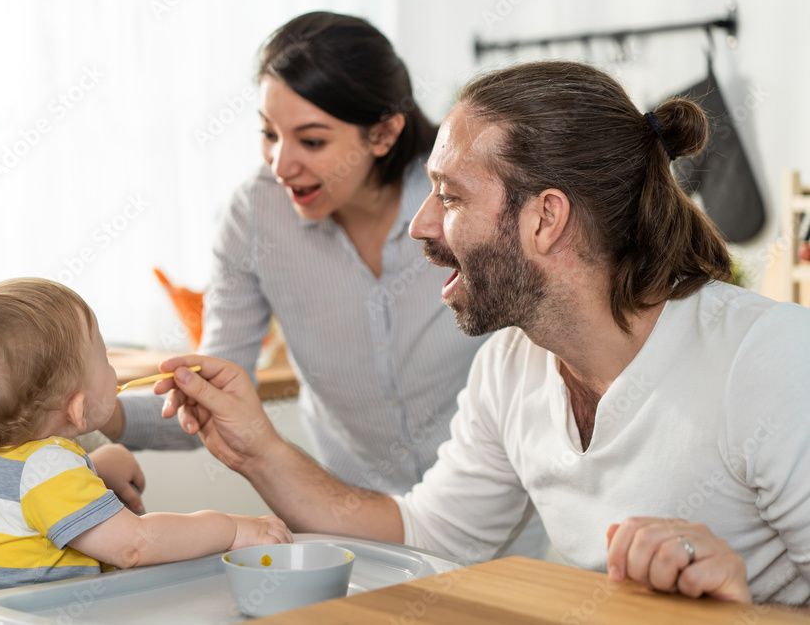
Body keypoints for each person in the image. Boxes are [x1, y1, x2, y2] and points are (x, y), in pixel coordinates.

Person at [153, 61, 810, 607]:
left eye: (451, 195)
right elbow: (428, 533)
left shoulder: (769, 360)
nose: (420, 226)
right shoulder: (510, 367)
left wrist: (741, 610)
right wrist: (255, 448)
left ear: (545, 219)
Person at [102, 11, 547, 556]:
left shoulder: (462, 202)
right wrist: (105, 412)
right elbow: (217, 394)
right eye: (268, 134)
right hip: (350, 528)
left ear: (383, 133)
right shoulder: (255, 218)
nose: (280, 163)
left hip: (501, 530)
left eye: (311, 141)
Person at [0, 278, 290, 596]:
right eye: (103, 357)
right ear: (77, 406)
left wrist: (95, 469)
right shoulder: (47, 465)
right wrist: (233, 529)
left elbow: (36, 505)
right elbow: (135, 546)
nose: (112, 369)